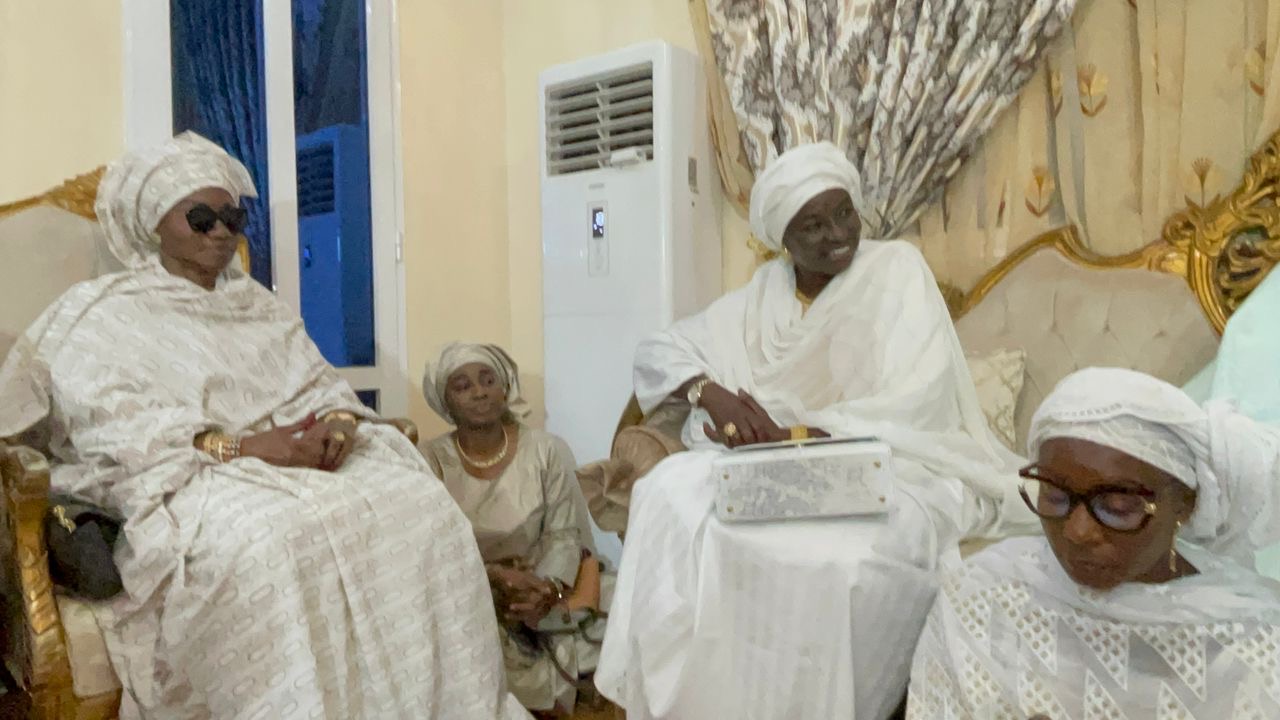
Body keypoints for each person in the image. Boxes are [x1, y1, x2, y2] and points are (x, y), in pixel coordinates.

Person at [0, 133, 528, 719]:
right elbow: (113, 424)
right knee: (272, 540)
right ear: (155, 223)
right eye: (200, 218)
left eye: (231, 218)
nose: (220, 232)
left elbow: (321, 386)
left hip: (297, 456)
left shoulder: (257, 304)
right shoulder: (102, 312)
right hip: (193, 472)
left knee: (422, 507)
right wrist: (248, 448)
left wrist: (339, 426)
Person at [594, 142, 1030, 719]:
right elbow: (658, 351)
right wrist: (710, 393)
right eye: (814, 225)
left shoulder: (895, 270)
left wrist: (804, 432)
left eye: (844, 213)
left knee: (835, 563)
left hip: (893, 461)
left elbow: (920, 394)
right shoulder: (761, 296)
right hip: (769, 465)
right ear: (784, 240)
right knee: (666, 491)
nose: (838, 234)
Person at [908, 367, 1280, 719]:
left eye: (1117, 506)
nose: (1077, 531)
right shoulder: (984, 593)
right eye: (1055, 495)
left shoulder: (1254, 638)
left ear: (1186, 503)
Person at [423, 343, 607, 718]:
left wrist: (547, 586)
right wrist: (493, 579)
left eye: (488, 380)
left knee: (633, 613)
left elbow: (563, 533)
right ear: (445, 402)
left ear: (505, 388)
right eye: (463, 386)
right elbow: (432, 547)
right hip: (469, 592)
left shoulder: (546, 450)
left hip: (546, 584)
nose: (479, 392)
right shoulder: (430, 460)